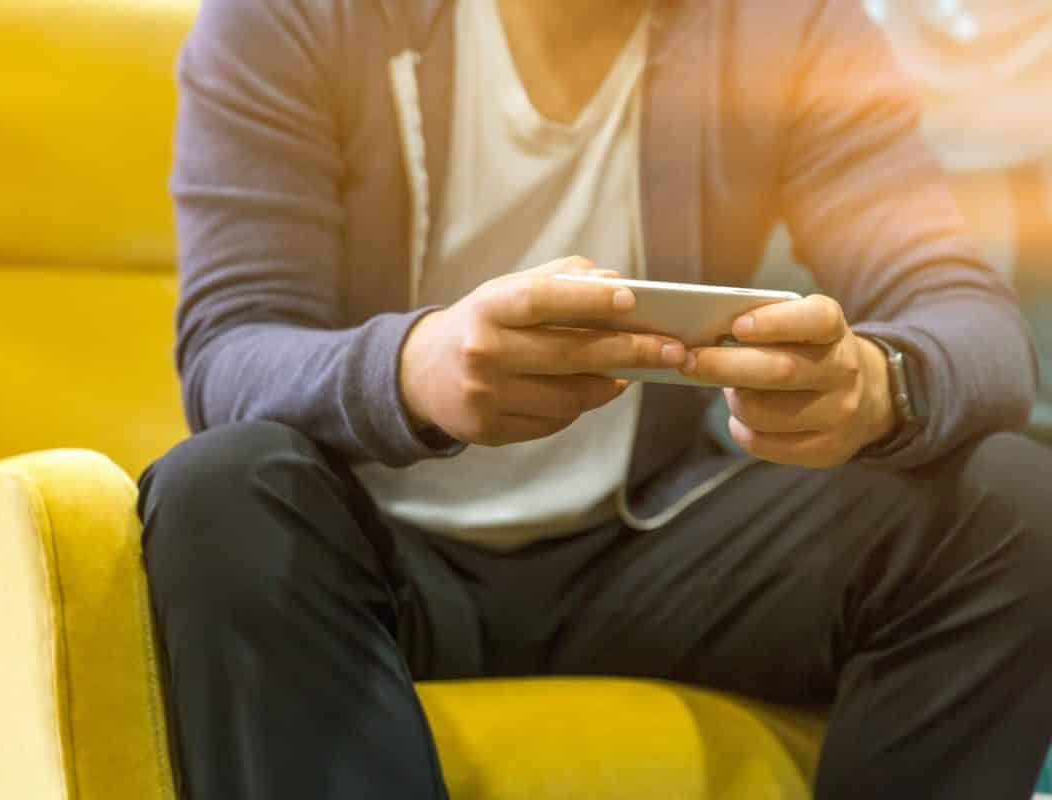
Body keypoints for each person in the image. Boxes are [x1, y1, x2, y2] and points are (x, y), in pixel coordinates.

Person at [137, 0, 1052, 797]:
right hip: (374, 559)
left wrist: (877, 384)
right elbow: (231, 350)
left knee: (1013, 501)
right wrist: (417, 368)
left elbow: (975, 324)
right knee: (217, 491)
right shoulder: (296, 15)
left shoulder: (789, 21)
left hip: (651, 556)